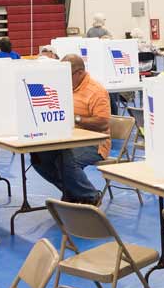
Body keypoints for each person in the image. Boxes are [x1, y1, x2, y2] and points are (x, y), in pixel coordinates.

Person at [31, 55, 110, 204]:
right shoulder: (63, 87)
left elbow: (103, 124)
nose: (62, 78)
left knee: (67, 159)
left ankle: (90, 196)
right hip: (67, 138)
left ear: (79, 73)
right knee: (39, 157)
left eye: (66, 74)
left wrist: (75, 118)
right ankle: (72, 191)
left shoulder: (96, 91)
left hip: (95, 143)